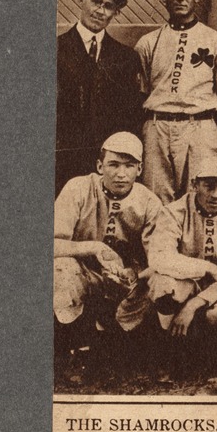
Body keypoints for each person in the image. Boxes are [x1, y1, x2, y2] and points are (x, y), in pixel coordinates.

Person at [53, 132, 162, 373]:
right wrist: (93, 247)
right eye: (113, 164)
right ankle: (75, 341)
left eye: (129, 165)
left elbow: (158, 257)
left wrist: (133, 274)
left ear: (140, 168)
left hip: (126, 279)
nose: (121, 173)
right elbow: (50, 244)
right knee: (60, 268)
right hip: (83, 271)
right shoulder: (78, 188)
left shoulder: (149, 202)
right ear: (100, 166)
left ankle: (121, 346)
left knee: (158, 281)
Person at [135, 0, 217, 204]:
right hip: (157, 126)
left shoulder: (216, 41)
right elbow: (141, 93)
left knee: (198, 198)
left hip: (199, 126)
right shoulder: (147, 43)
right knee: (155, 198)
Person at [146, 157, 217, 354]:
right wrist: (210, 268)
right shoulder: (174, 212)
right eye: (208, 186)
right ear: (194, 184)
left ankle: (215, 360)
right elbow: (159, 257)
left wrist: (193, 305)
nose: (215, 195)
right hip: (185, 283)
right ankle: (169, 350)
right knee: (161, 283)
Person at [56, 0, 143, 192]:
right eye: (96, 2)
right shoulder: (56, 48)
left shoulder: (125, 57)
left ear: (116, 13)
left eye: (109, 6)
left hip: (107, 159)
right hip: (64, 155)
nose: (100, 11)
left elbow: (130, 115)